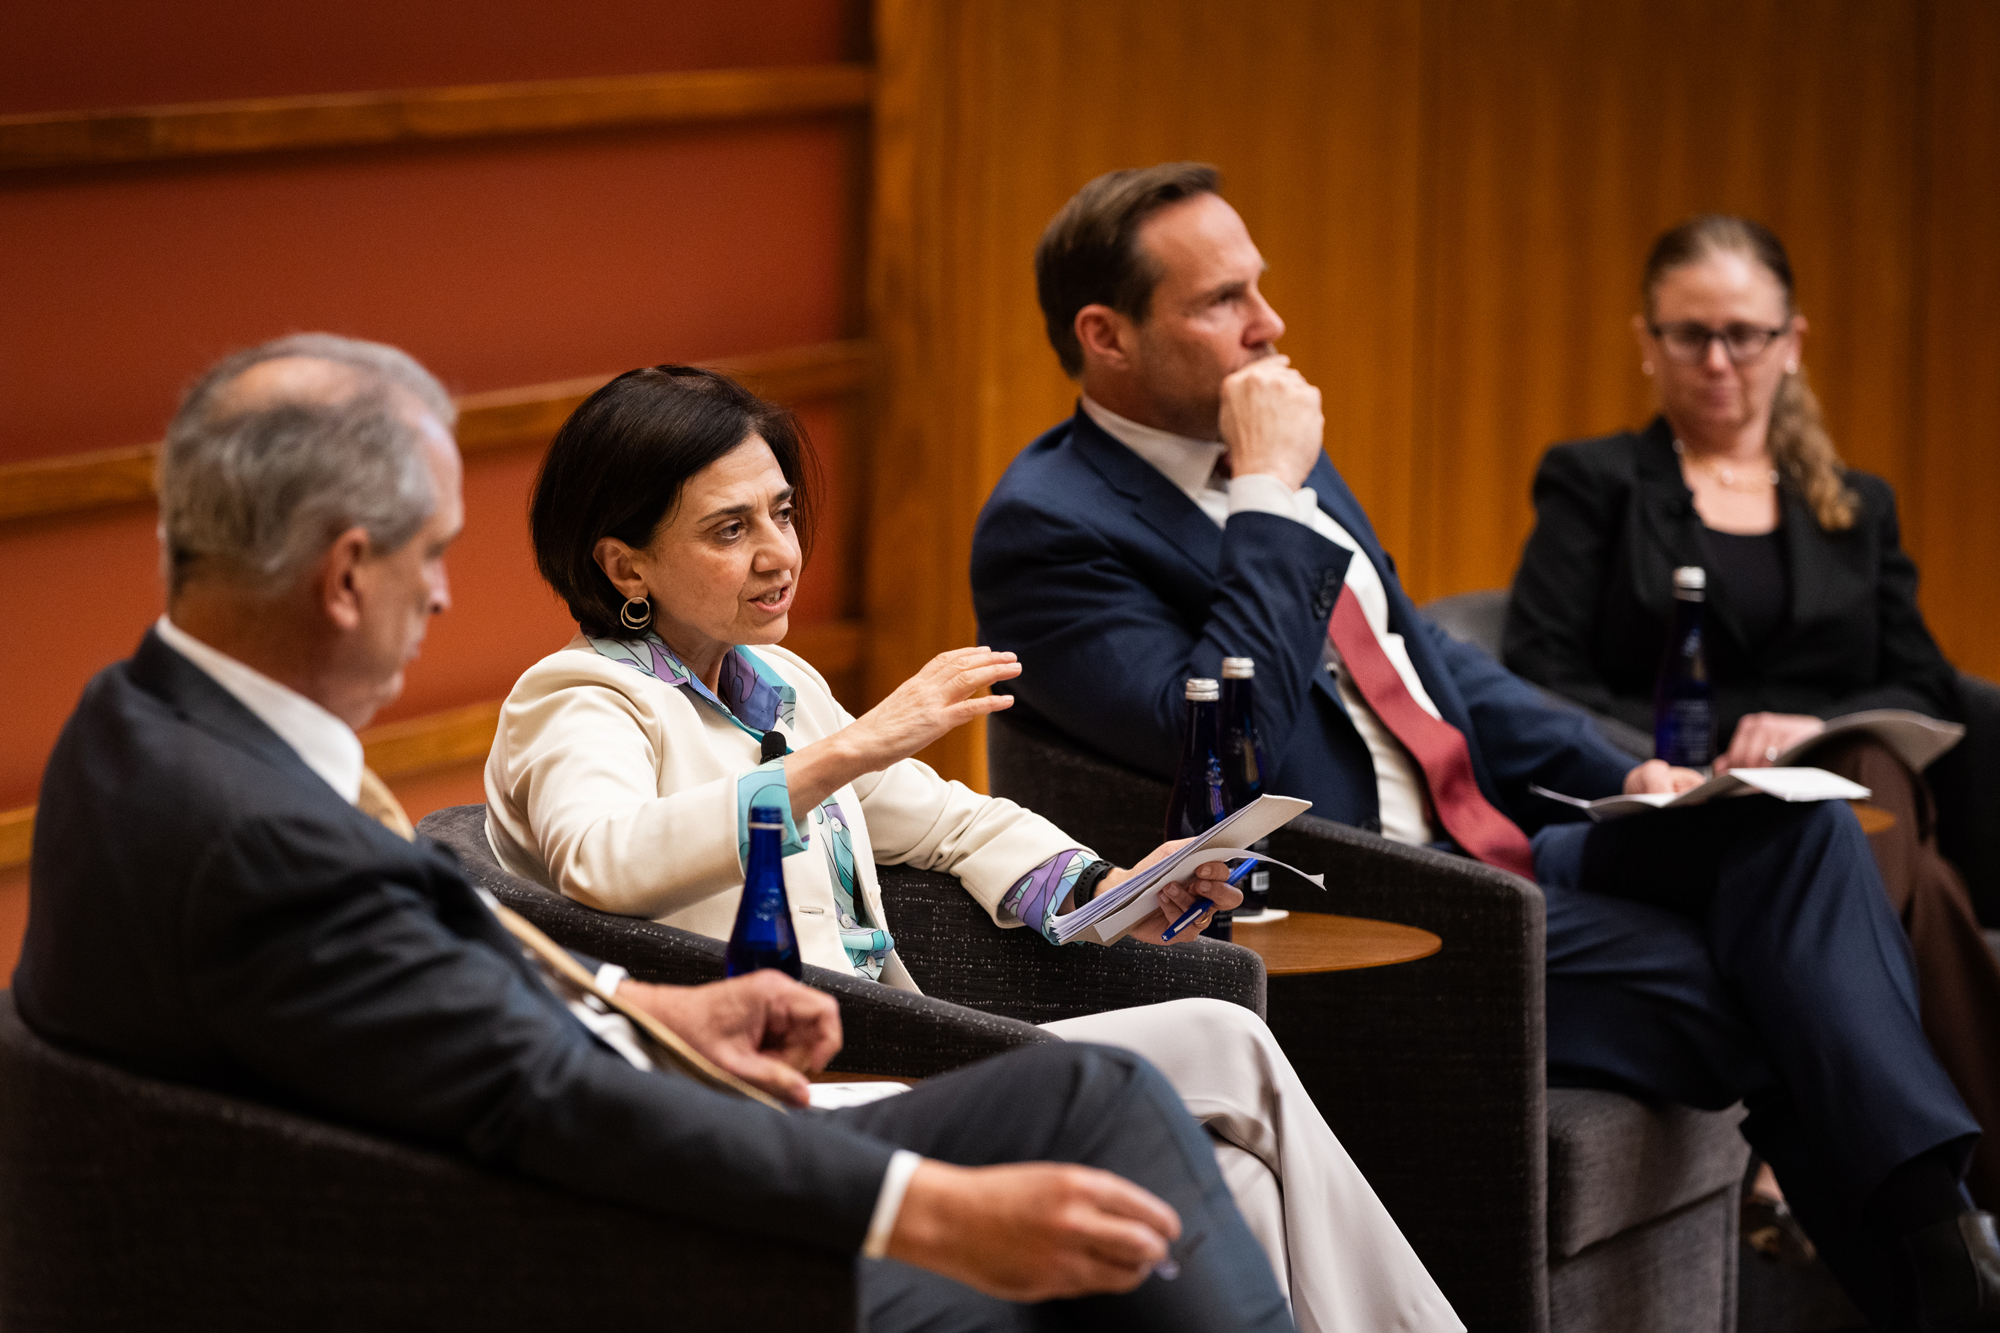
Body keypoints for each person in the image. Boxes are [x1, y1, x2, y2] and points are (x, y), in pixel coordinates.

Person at [15, 333, 1300, 1332]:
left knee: (1116, 1098)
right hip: (597, 1254)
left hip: (593, 1119)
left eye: (780, 512)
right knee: (1119, 1124)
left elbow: (418, 997)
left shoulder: (131, 730)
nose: (447, 591)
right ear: (348, 575)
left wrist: (638, 1001)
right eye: (432, 553)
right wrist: (937, 1214)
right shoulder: (262, 836)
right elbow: (548, 1091)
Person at [968, 163, 2000, 1330]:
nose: (1270, 325)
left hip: (1508, 844)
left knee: (1793, 830)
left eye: (1259, 287)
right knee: (1790, 990)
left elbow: (1437, 670)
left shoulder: (1281, 455)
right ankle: (1950, 1276)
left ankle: (1942, 1253)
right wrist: (1261, 494)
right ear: (1105, 337)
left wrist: (1629, 773)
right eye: (1221, 302)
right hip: (1379, 904)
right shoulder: (1049, 528)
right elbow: (1216, 738)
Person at [482, 363, 1462, 1333]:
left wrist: (1112, 890)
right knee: (1225, 1038)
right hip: (770, 1095)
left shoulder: (769, 678)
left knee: (1236, 1172)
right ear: (624, 566)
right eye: (730, 529)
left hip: (895, 1044)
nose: (779, 552)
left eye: (781, 512)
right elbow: (602, 860)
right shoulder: (578, 698)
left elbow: (951, 823)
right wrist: (859, 742)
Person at [1501, 214, 2000, 1213]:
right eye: (1688, 334)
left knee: (1865, 772)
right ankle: (1952, 1208)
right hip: (1682, 794)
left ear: (1791, 343)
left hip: (1841, 774)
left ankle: (1838, 1148)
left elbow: (1918, 680)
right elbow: (1539, 668)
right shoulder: (1596, 482)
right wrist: (1671, 757)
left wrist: (1805, 727)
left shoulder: (1852, 504)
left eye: (1743, 333)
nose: (1716, 359)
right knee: (1923, 886)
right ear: (1646, 342)